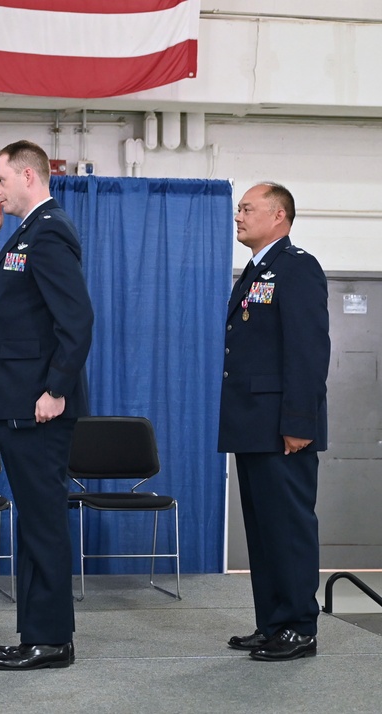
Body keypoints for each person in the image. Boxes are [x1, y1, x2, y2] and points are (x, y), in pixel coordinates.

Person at [0, 140, 94, 671]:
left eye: (0, 180)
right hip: (18, 401)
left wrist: (56, 389)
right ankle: (37, 632)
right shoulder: (23, 232)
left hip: (39, 406)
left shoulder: (51, 229)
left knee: (42, 523)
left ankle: (52, 639)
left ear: (28, 176)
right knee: (34, 521)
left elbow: (77, 320)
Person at [219, 182, 329, 662]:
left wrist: (300, 421)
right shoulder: (256, 270)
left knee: (288, 527)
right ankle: (273, 623)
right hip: (253, 423)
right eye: (239, 208)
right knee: (264, 531)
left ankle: (300, 627)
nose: (238, 216)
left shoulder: (296, 267)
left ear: (279, 215)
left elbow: (308, 350)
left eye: (247, 208)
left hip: (284, 425)